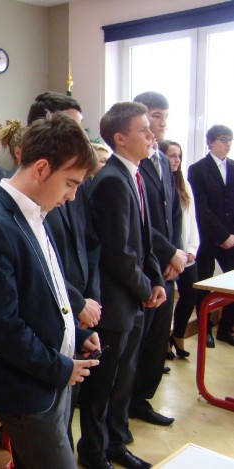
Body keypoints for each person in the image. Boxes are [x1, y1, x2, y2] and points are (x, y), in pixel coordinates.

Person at [0, 112, 101, 469]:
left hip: (51, 374)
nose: (72, 196)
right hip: (25, 387)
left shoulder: (35, 211)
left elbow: (46, 291)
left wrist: (76, 334)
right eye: (70, 183)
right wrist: (59, 368)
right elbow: (3, 329)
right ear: (41, 169)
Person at [78, 102, 166, 469]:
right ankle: (93, 451)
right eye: (143, 129)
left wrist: (156, 279)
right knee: (104, 385)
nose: (151, 135)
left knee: (124, 381)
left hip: (133, 298)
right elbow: (118, 252)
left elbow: (144, 238)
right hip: (115, 302)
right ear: (120, 138)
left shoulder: (135, 174)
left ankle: (116, 444)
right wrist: (145, 289)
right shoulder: (112, 180)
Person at [28, 92, 102, 450]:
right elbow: (39, 277)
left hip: (71, 321)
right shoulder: (18, 213)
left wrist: (78, 319)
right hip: (41, 360)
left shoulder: (63, 192)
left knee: (65, 424)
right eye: (73, 127)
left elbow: (87, 244)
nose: (72, 194)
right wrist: (76, 304)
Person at [129, 91, 184, 428]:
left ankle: (142, 399)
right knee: (138, 340)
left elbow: (173, 212)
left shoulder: (163, 160)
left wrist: (176, 254)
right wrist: (167, 253)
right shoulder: (134, 164)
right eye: (155, 115)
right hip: (146, 263)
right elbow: (141, 219)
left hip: (167, 266)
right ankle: (125, 402)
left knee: (156, 340)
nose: (161, 123)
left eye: (165, 116)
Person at [188, 124, 234, 347]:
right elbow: (201, 207)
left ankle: (225, 329)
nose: (228, 144)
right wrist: (221, 234)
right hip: (207, 237)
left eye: (230, 140)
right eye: (223, 139)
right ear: (211, 142)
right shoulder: (198, 169)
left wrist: (230, 235)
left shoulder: (233, 167)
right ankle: (205, 329)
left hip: (231, 238)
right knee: (204, 284)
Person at [160, 140, 199, 357]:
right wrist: (172, 252)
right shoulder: (159, 182)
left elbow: (191, 220)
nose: (176, 160)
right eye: (172, 156)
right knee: (165, 300)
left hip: (186, 252)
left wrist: (192, 248)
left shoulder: (184, 184)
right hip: (169, 252)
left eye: (179, 156)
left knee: (190, 293)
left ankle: (179, 334)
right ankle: (163, 342)